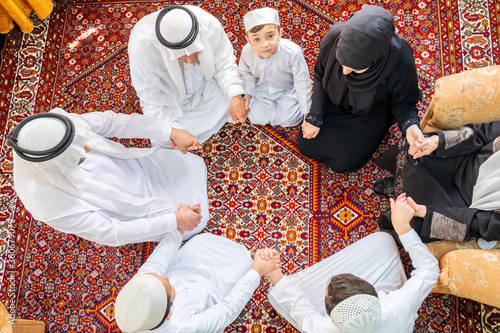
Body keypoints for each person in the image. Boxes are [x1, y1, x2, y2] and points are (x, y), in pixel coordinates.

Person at [9, 108, 209, 246]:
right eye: (78, 155)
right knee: (197, 221)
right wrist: (173, 221)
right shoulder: (47, 204)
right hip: (133, 212)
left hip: (136, 167)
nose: (89, 147)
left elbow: (113, 122)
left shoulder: (54, 126)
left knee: (191, 165)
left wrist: (169, 131)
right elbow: (113, 233)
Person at [263, 193, 439, 333]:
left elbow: (302, 312)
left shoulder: (326, 329)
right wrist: (404, 229)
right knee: (383, 241)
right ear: (374, 293)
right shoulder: (398, 305)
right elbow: (429, 270)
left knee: (278, 294)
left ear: (330, 314)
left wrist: (273, 273)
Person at [298, 5, 423, 173]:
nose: (344, 72)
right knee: (306, 145)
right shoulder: (335, 36)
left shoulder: (400, 61)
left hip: (370, 112)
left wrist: (411, 126)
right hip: (334, 98)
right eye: (341, 63)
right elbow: (321, 74)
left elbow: (405, 103)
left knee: (343, 163)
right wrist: (316, 115)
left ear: (375, 60)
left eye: (354, 69)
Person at [114, 232, 280, 332]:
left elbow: (156, 262)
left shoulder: (138, 288)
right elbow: (227, 310)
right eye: (168, 285)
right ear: (169, 314)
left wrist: (178, 229)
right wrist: (257, 271)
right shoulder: (184, 327)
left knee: (202, 240)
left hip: (184, 268)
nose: (165, 277)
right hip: (212, 291)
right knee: (244, 262)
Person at [128, 5, 247, 143]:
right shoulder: (142, 46)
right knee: (163, 139)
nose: (190, 61)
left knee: (240, 94)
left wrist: (235, 95)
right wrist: (174, 131)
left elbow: (224, 64)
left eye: (196, 54)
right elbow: (151, 97)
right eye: (182, 58)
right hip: (170, 102)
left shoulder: (208, 25)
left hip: (205, 89)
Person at [375, 121, 500, 244]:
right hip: (468, 160)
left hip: (470, 203)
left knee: (429, 218)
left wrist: (426, 214)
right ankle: (400, 183)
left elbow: (488, 226)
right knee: (416, 148)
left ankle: (404, 208)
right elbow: (483, 134)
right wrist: (436, 142)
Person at [238, 7, 312, 127]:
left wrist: (307, 114)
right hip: (260, 91)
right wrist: (248, 95)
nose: (265, 44)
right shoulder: (246, 52)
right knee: (256, 117)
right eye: (257, 39)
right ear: (249, 41)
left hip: (285, 91)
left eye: (270, 36)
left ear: (280, 34)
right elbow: (246, 74)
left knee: (290, 120)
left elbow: (302, 82)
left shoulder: (292, 53)